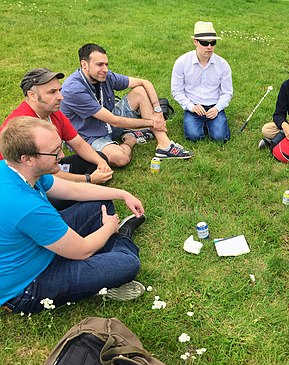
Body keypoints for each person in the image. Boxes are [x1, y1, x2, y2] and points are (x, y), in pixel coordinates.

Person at [0, 116, 147, 314]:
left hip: (40, 245)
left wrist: (122, 194)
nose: (61, 155)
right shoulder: (27, 207)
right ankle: (121, 237)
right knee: (128, 264)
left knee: (100, 202)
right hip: (27, 285)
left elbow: (73, 190)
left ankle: (105, 255)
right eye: (54, 152)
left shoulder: (12, 169)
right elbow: (82, 250)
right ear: (27, 159)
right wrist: (109, 228)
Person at [61, 43, 192, 167]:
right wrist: (152, 122)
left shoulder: (105, 76)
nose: (105, 69)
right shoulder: (74, 89)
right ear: (84, 64)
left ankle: (164, 145)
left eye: (106, 64)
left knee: (139, 91)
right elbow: (115, 121)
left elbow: (144, 82)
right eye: (100, 65)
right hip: (88, 134)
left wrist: (158, 112)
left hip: (108, 120)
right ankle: (130, 138)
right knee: (121, 158)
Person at [1, 68, 113, 210]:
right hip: (27, 185)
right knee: (74, 199)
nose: (61, 97)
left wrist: (101, 162)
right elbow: (45, 175)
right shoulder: (22, 126)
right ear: (32, 96)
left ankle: (82, 187)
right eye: (52, 92)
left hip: (47, 167)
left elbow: (78, 143)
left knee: (99, 157)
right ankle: (80, 190)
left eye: (59, 90)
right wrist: (88, 179)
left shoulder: (53, 112)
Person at [171, 21, 233, 142]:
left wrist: (217, 108)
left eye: (213, 42)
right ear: (195, 42)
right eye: (205, 43)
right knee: (193, 137)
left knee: (220, 138)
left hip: (214, 106)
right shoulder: (182, 62)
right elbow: (177, 91)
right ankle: (202, 124)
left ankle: (211, 123)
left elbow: (227, 93)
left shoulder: (223, 64)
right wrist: (191, 107)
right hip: (194, 106)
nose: (209, 47)